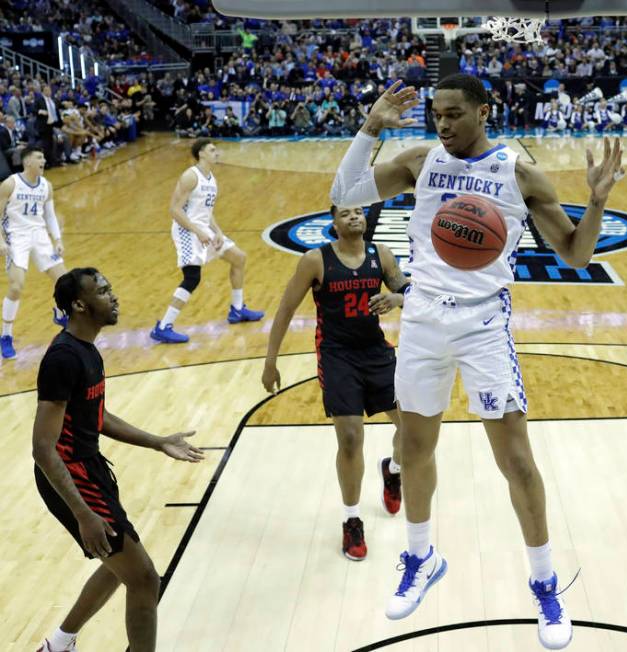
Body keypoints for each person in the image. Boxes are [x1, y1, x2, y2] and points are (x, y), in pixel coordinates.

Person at [329, 75, 624, 650]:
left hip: (483, 326)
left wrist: (596, 201)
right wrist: (370, 127)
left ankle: (544, 583)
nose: (442, 123)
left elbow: (577, 253)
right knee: (412, 450)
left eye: (454, 114)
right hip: (419, 323)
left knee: (515, 460)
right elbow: (347, 193)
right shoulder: (420, 160)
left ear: (484, 112)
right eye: (436, 114)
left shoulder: (518, 174)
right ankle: (421, 557)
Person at [33, 268, 204, 652]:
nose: (114, 296)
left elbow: (97, 416)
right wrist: (82, 513)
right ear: (79, 304)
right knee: (144, 578)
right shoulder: (62, 359)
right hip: (71, 476)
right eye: (103, 291)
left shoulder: (86, 350)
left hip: (90, 471)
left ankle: (58, 646)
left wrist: (157, 442)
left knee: (117, 568)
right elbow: (43, 447)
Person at [261, 205, 407, 561]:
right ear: (334, 224)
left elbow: (409, 291)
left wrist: (397, 298)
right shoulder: (315, 260)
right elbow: (285, 309)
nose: (354, 217)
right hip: (337, 354)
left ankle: (394, 469)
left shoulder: (381, 254)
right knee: (351, 437)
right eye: (346, 214)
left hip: (376, 350)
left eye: (358, 212)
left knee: (412, 429)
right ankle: (351, 520)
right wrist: (270, 361)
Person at [150, 139, 263, 344]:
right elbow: (174, 210)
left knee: (238, 258)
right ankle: (163, 326)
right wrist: (197, 231)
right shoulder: (190, 176)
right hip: (186, 230)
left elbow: (206, 212)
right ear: (201, 153)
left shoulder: (211, 178)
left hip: (203, 230)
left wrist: (217, 231)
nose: (217, 153)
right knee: (192, 278)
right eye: (212, 150)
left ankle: (237, 310)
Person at [0, 146, 69, 359]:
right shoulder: (10, 184)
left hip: (39, 236)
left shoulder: (46, 186)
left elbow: (50, 216)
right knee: (16, 285)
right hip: (16, 236)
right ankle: (6, 336)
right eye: (40, 157)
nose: (44, 160)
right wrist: (1, 240)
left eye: (44, 156)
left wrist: (57, 240)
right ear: (27, 161)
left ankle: (60, 313)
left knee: (65, 280)